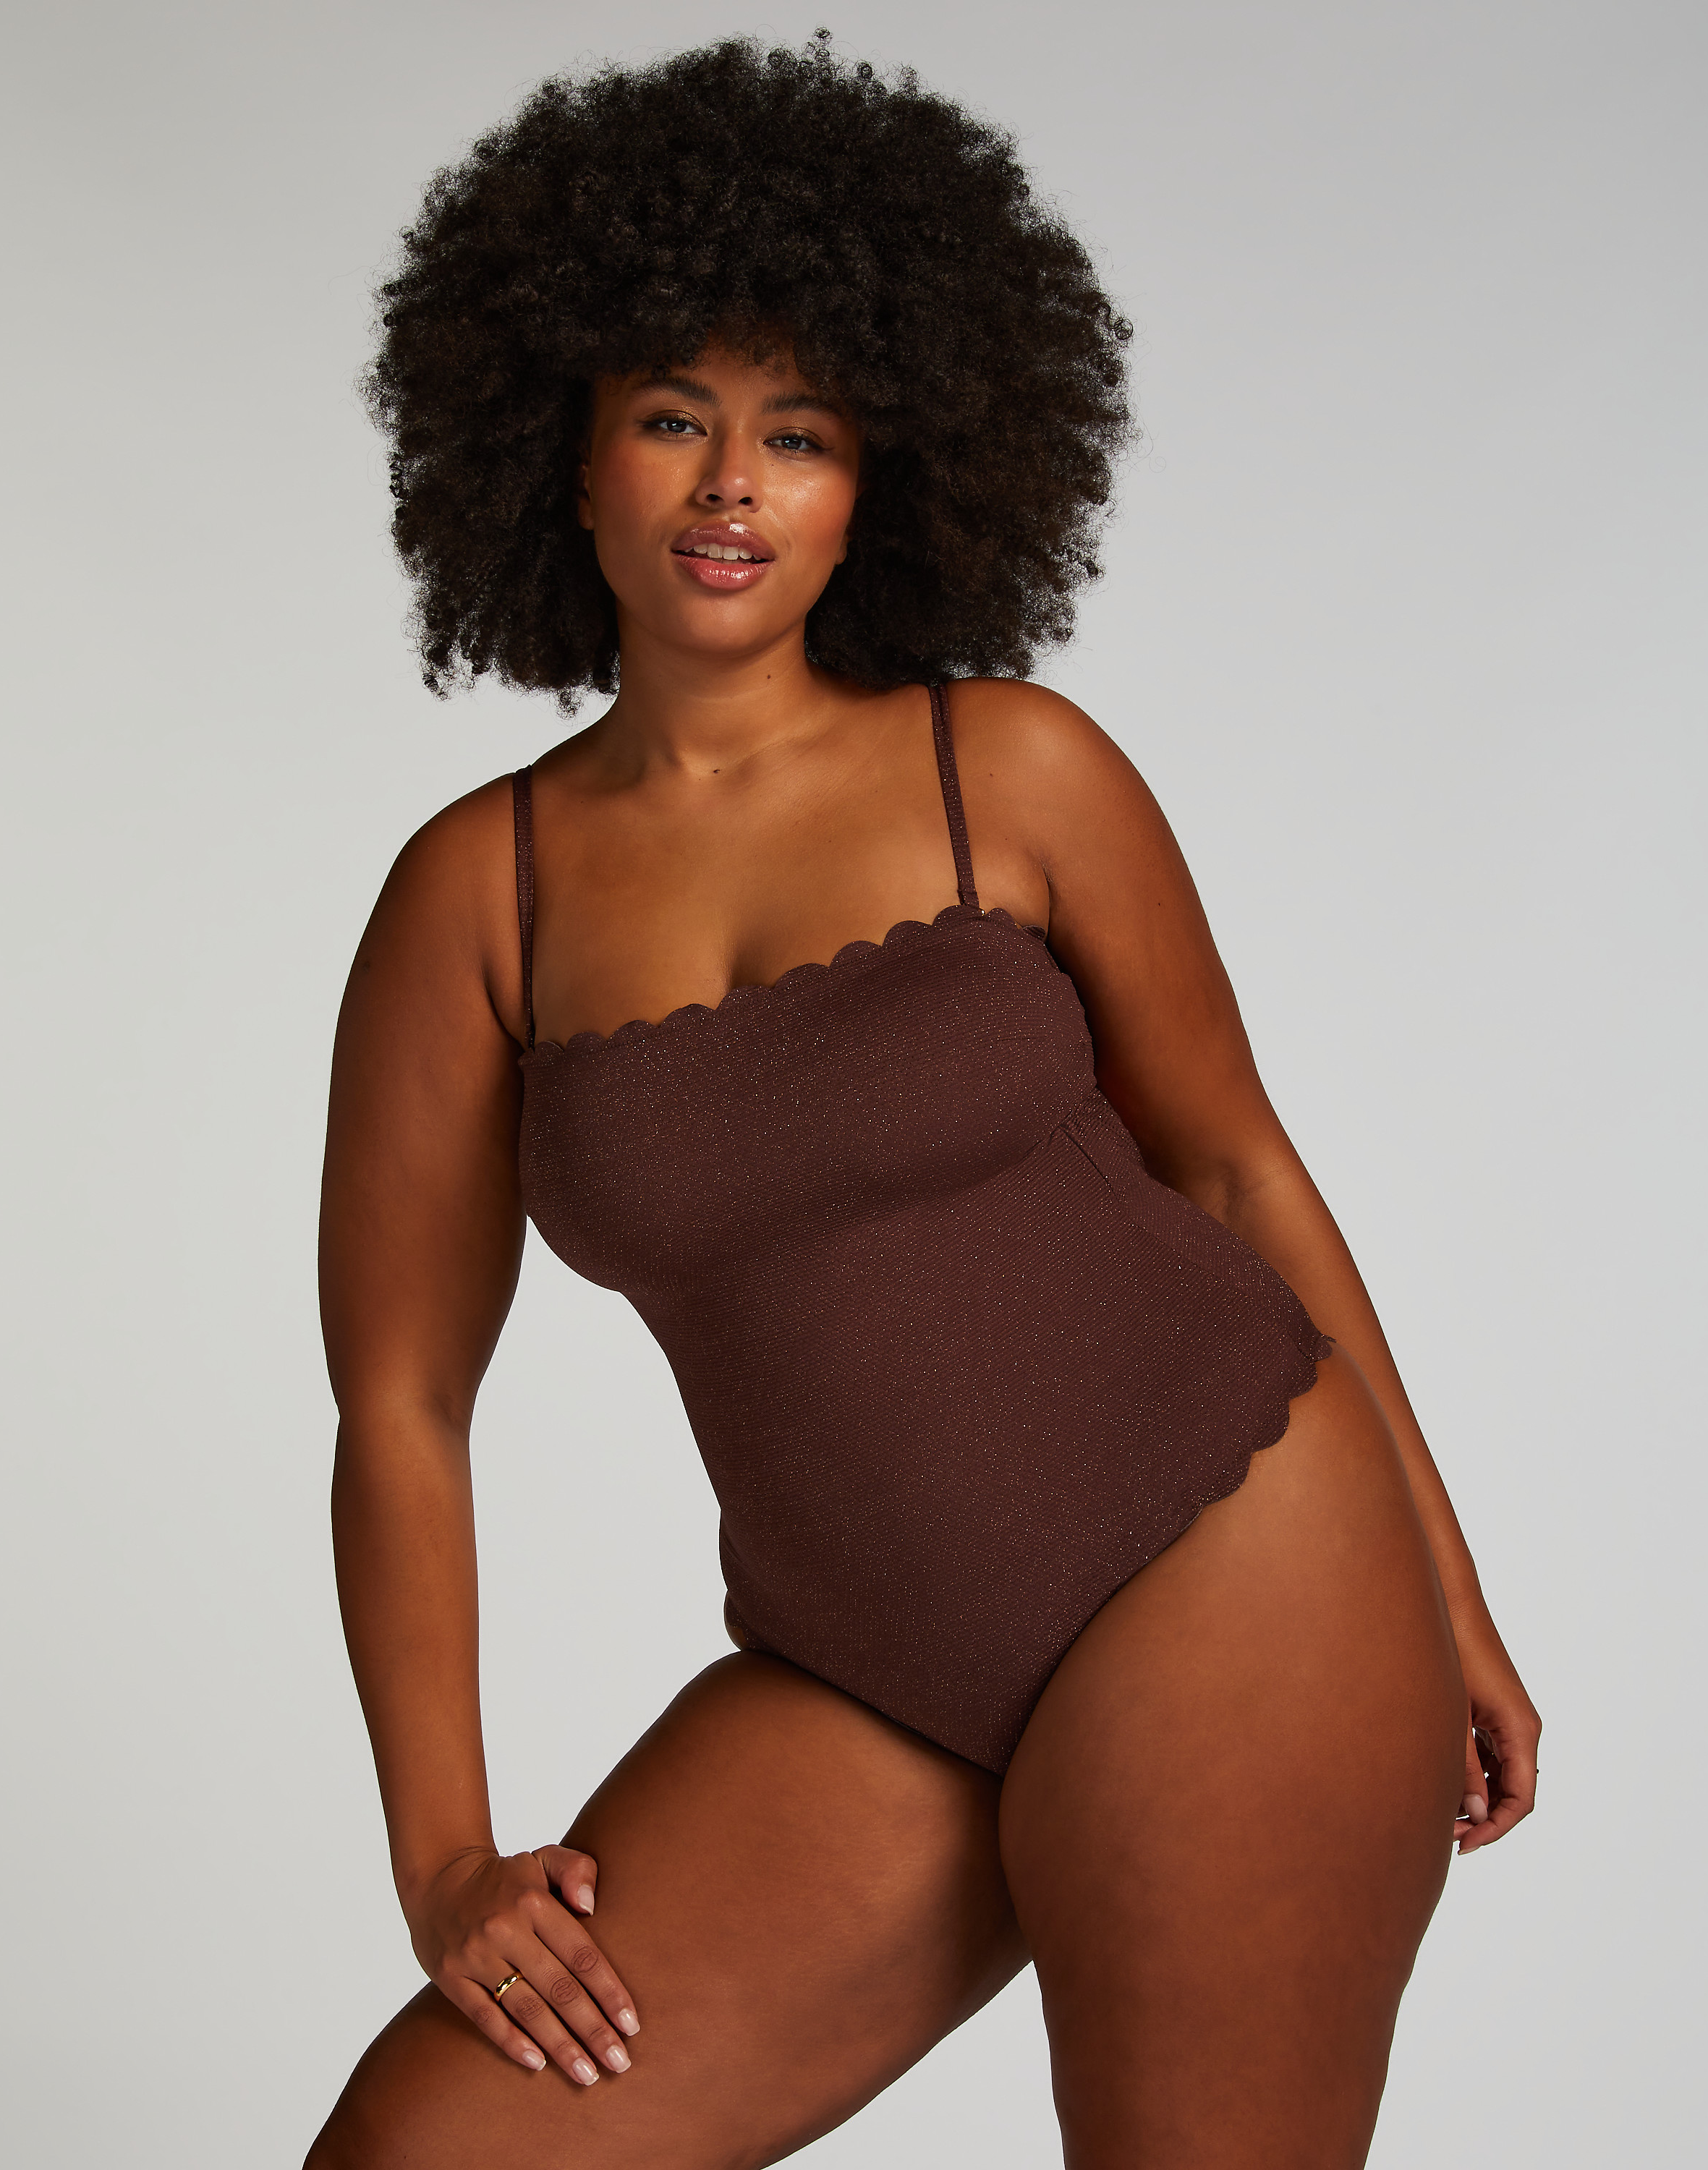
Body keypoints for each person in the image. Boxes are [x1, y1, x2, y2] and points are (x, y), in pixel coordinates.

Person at [307, 34, 1539, 2169]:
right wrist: (445, 1860)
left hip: (1229, 1560)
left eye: (797, 436)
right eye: (674, 418)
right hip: (856, 1677)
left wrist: (1451, 1594)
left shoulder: (1014, 771)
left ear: (872, 483)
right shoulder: (471, 900)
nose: (730, 486)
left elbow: (1234, 1166)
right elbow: (400, 1405)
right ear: (564, 457)